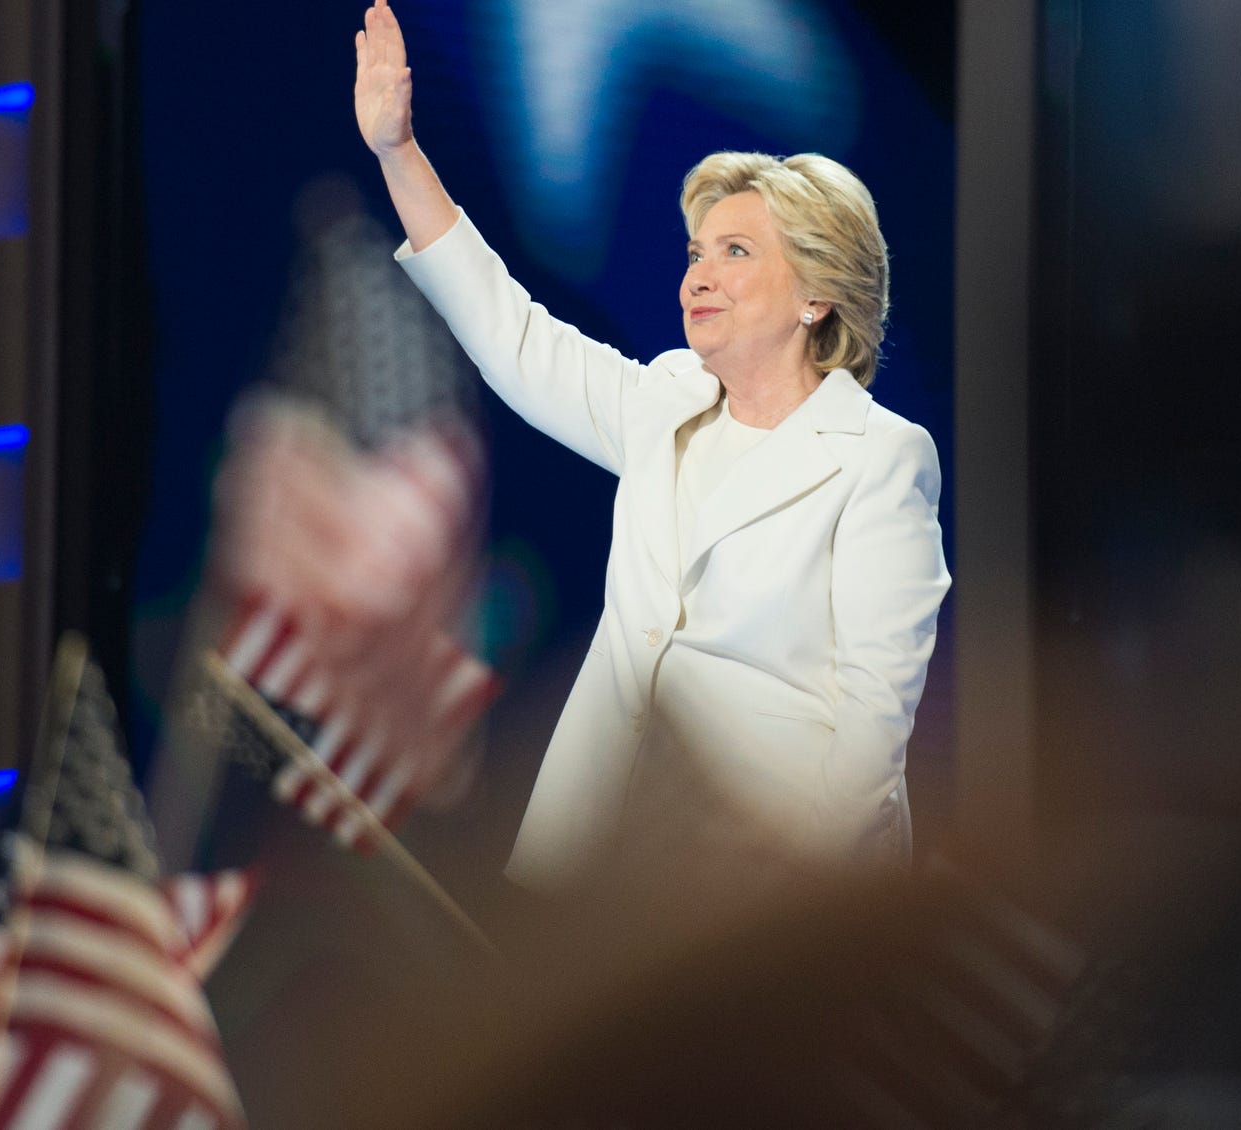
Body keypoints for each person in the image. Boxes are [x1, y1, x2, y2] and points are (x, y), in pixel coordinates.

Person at [354, 0, 950, 890]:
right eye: (695, 251)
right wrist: (398, 150)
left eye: (736, 251)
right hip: (585, 875)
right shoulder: (665, 401)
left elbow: (869, 744)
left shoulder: (880, 461)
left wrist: (772, 939)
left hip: (749, 920)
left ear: (816, 296)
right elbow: (507, 331)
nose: (699, 273)